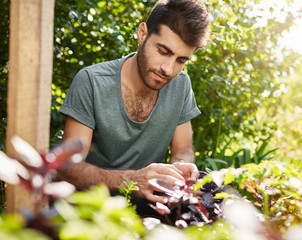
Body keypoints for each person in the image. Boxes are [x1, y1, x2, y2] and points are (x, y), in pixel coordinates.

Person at [58, 0, 210, 208]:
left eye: (181, 60)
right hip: (88, 214)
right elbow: (68, 168)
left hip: (150, 212)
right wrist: (132, 180)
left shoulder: (181, 85)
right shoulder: (92, 82)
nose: (168, 69)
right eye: (163, 51)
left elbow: (183, 148)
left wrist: (179, 167)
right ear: (142, 34)